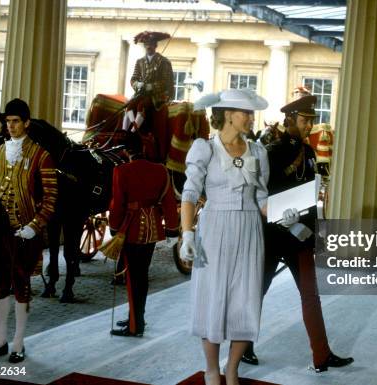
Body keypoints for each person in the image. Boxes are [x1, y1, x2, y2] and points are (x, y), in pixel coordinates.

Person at [242, 95, 354, 372]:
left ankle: (322, 355)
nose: (309, 126)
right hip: (272, 235)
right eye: (305, 121)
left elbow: (310, 198)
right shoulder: (270, 152)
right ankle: (243, 346)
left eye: (312, 121)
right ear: (290, 119)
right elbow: (262, 197)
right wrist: (290, 223)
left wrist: (315, 234)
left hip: (300, 237)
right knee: (257, 293)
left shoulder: (310, 152)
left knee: (310, 296)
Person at [179, 89, 269, 385]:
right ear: (229, 114)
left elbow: (262, 198)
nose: (251, 118)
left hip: (250, 229)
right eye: (247, 113)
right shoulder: (205, 148)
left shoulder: (258, 151)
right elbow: (190, 194)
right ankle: (211, 369)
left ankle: (232, 369)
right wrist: (187, 233)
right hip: (215, 229)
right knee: (212, 298)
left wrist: (286, 214)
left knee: (246, 300)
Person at [0, 98, 58, 363]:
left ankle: (19, 343)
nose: (10, 126)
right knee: (0, 285)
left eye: (15, 121)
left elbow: (50, 198)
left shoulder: (41, 156)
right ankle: (0, 340)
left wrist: (35, 226)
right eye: (7, 121)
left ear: (26, 123)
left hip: (25, 233)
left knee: (22, 285)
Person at [108, 132, 179, 337]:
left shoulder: (121, 171)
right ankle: (137, 317)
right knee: (142, 276)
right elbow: (168, 204)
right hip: (152, 229)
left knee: (132, 277)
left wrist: (114, 229)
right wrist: (172, 230)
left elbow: (117, 205)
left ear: (125, 151)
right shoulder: (160, 170)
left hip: (130, 230)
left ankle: (135, 326)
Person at [122, 30, 174, 134]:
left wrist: (152, 86)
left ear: (155, 45)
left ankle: (134, 132)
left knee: (142, 105)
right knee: (130, 106)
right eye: (146, 45)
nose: (148, 47)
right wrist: (137, 84)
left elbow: (166, 82)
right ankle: (124, 131)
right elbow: (133, 79)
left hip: (157, 96)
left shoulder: (163, 62)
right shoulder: (140, 62)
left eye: (150, 44)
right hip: (141, 92)